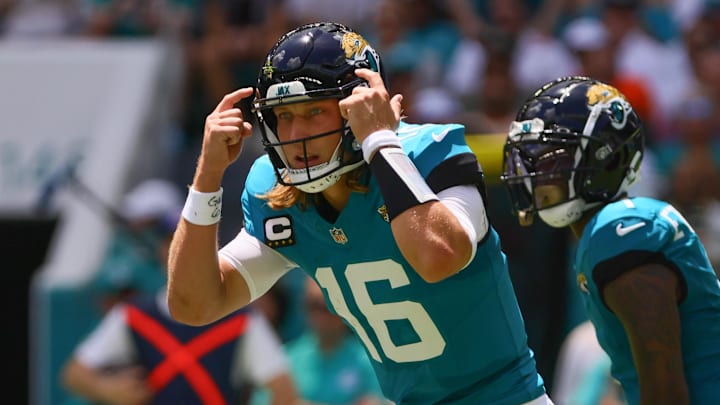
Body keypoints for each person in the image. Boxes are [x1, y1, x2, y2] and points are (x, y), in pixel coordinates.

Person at [167, 22, 552, 405]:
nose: (296, 134)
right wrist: (207, 178)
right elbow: (193, 305)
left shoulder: (428, 151)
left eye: (314, 110)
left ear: (359, 105)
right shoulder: (280, 193)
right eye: (284, 115)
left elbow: (438, 257)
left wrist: (380, 140)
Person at [500, 76, 720, 404]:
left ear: (605, 157)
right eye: (534, 158)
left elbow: (666, 394)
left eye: (552, 158)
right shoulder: (607, 233)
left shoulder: (621, 231)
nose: (537, 172)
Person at [61, 181, 297, 405]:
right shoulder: (133, 316)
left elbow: (283, 390)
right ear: (163, 252)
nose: (186, 251)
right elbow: (74, 374)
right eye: (174, 240)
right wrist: (108, 389)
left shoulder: (243, 320)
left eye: (196, 242)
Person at [250, 275, 387, 405]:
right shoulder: (284, 358)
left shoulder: (371, 361)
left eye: (328, 307)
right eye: (313, 305)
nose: (320, 315)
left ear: (345, 310)